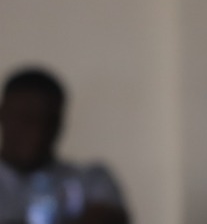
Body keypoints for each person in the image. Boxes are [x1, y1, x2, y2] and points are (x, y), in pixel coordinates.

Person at [0, 67, 130, 224]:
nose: (37, 131)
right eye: (26, 118)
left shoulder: (90, 179)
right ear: (3, 113)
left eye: (48, 120)